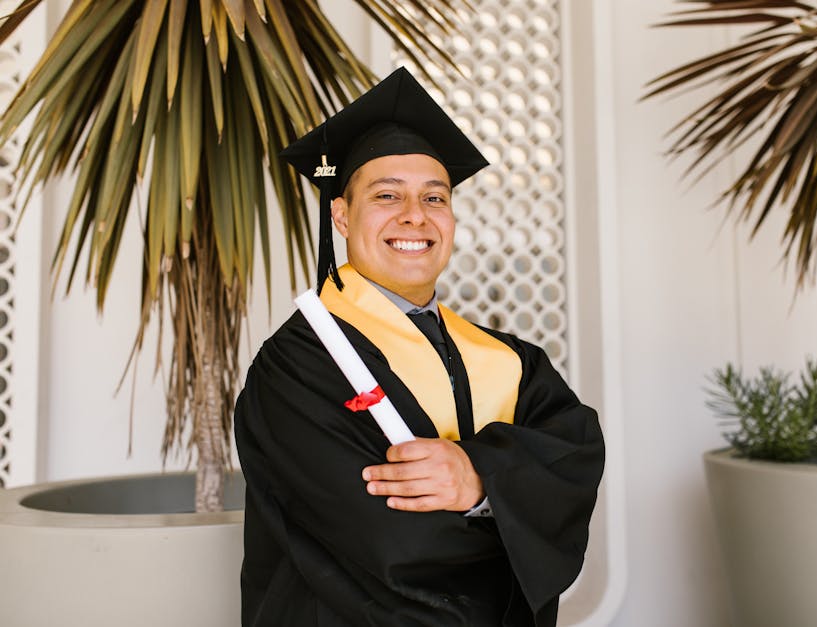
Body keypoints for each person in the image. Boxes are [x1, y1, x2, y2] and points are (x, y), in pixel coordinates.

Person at [234, 67, 604, 627]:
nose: (415, 215)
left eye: (435, 197)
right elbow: (387, 541)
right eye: (387, 195)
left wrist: (479, 476)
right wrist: (511, 507)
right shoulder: (299, 365)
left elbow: (575, 450)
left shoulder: (510, 360)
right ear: (341, 213)